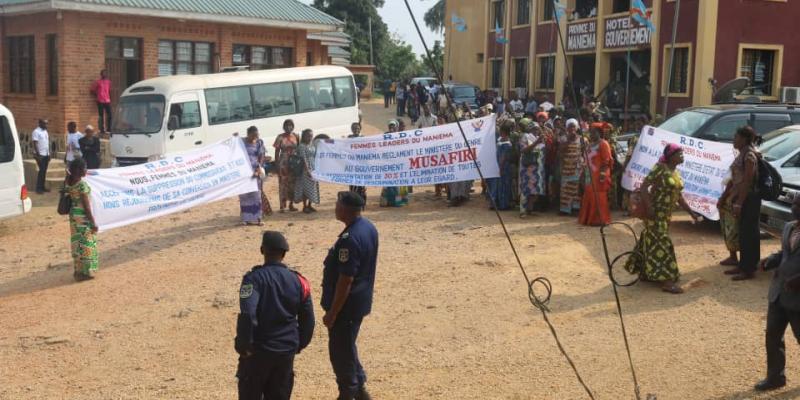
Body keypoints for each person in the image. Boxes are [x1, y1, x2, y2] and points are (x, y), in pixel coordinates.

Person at [236, 231, 315, 400]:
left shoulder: (253, 280)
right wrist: (298, 344)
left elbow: (248, 314)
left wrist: (244, 347)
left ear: (262, 250)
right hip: (286, 351)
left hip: (258, 351)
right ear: (284, 253)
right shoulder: (300, 281)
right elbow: (308, 320)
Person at [323, 192, 379, 400]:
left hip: (346, 307)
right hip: (359, 302)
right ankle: (361, 390)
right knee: (347, 346)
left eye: (338, 204)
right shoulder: (367, 228)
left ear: (345, 209)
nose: (335, 207)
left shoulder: (350, 239)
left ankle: (348, 392)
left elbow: (345, 280)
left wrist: (332, 312)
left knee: (340, 353)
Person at [624, 144, 701, 294]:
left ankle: (646, 272)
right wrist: (650, 207)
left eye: (682, 153)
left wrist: (692, 213)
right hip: (655, 214)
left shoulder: (676, 173)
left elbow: (679, 197)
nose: (682, 156)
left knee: (651, 240)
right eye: (679, 153)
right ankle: (666, 281)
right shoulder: (659, 168)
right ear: (671, 156)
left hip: (666, 216)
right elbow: (645, 187)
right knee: (662, 243)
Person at [753, 196, 800, 392]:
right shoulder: (789, 226)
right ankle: (775, 377)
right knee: (773, 336)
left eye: (799, 205)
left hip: (798, 298)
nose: (794, 208)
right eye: (794, 204)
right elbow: (785, 254)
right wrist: (771, 260)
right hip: (779, 292)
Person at [722, 126, 762, 281]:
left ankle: (749, 269)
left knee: (749, 233)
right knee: (743, 233)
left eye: (736, 137)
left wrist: (739, 202)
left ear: (744, 139)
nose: (733, 139)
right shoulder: (743, 154)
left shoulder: (749, 156)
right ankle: (742, 265)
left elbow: (747, 181)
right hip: (743, 198)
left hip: (749, 199)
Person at [65, 158, 99, 281]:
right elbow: (86, 207)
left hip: (74, 217)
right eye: (84, 168)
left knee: (77, 242)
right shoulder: (82, 185)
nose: (86, 170)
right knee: (87, 243)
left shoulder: (70, 182)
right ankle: (87, 272)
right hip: (83, 218)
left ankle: (78, 271)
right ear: (79, 170)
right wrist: (93, 222)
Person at [578, 127, 613, 226]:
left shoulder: (603, 144)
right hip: (589, 174)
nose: (591, 135)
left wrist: (602, 174)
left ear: (599, 133)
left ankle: (599, 219)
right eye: (590, 133)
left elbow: (606, 160)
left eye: (594, 133)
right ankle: (588, 218)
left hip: (599, 174)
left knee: (598, 196)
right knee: (589, 194)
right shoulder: (589, 145)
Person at [240, 126, 267, 226]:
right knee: (245, 196)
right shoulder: (241, 142)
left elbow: (261, 157)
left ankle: (258, 219)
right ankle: (246, 219)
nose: (254, 137)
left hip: (256, 172)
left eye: (256, 135)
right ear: (248, 134)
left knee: (256, 196)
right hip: (244, 173)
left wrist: (257, 170)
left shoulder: (259, 142)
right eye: (253, 135)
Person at [518, 121, 547, 218]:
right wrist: (536, 142)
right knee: (526, 190)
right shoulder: (525, 136)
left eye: (537, 128)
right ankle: (523, 211)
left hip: (538, 169)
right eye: (534, 128)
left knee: (535, 191)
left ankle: (530, 209)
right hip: (527, 169)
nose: (536, 130)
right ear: (529, 129)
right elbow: (523, 150)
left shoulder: (539, 138)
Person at [380, 121, 409, 207]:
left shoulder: (400, 136)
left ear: (396, 127)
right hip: (388, 162)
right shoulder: (385, 136)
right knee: (388, 182)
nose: (391, 128)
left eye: (393, 126)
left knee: (400, 182)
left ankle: (400, 201)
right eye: (390, 126)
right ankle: (387, 202)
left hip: (399, 161)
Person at [486, 123, 514, 210]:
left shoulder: (505, 143)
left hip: (501, 166)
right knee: (502, 185)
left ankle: (497, 203)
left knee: (498, 185)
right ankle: (501, 204)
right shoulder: (504, 141)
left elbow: (503, 157)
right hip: (501, 166)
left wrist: (500, 167)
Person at [274, 119, 299, 213]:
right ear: (284, 127)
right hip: (283, 164)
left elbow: (298, 149)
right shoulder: (280, 137)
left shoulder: (296, 136)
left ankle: (291, 205)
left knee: (293, 184)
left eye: (291, 125)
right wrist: (276, 165)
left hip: (294, 163)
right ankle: (282, 206)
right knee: (283, 185)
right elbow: (276, 152)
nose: (289, 127)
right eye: (287, 125)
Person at [559, 119, 583, 215]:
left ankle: (575, 209)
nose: (572, 128)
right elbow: (560, 153)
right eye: (570, 126)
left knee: (576, 189)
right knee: (565, 189)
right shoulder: (563, 138)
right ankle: (565, 210)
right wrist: (569, 140)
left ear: (577, 128)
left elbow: (585, 152)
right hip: (566, 167)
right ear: (567, 128)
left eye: (573, 126)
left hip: (577, 168)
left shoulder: (582, 139)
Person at [294, 129, 320, 213]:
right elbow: (303, 158)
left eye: (311, 136)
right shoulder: (302, 146)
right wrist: (307, 170)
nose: (309, 137)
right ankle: (305, 206)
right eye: (307, 136)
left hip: (313, 168)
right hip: (305, 169)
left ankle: (310, 205)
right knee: (305, 188)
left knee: (312, 187)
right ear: (303, 136)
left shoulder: (312, 145)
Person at [348, 123, 367, 206]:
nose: (356, 130)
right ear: (352, 129)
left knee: (361, 186)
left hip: (361, 165)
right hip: (352, 165)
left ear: (360, 129)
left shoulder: (364, 138)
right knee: (353, 185)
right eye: (354, 128)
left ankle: (362, 202)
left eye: (358, 128)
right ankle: (353, 202)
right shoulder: (349, 138)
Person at [31, 119, 50, 194]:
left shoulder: (45, 131)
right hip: (40, 155)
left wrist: (48, 154)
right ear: (40, 123)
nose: (46, 125)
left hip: (46, 154)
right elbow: (35, 143)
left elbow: (46, 143)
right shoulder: (36, 131)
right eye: (44, 124)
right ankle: (38, 189)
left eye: (47, 124)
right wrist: (38, 155)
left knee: (44, 171)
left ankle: (43, 187)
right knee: (41, 171)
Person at [90, 70, 112, 135]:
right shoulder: (98, 82)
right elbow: (92, 90)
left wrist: (110, 97)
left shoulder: (108, 82)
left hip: (107, 100)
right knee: (101, 115)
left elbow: (110, 90)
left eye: (105, 73)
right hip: (100, 100)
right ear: (101, 74)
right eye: (103, 74)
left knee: (110, 115)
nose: (104, 75)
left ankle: (109, 128)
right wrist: (97, 95)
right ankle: (101, 129)